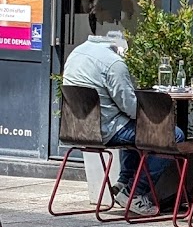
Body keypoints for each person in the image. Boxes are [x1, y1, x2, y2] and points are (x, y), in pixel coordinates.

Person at [63, 35, 184, 216]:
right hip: (106, 129)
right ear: (120, 47)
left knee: (133, 126)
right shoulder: (113, 63)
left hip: (77, 128)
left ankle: (123, 182)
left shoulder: (76, 53)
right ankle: (134, 192)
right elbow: (130, 107)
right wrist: (155, 114)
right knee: (172, 134)